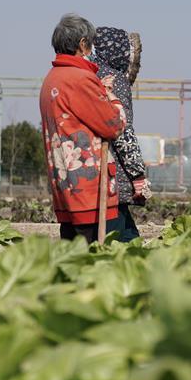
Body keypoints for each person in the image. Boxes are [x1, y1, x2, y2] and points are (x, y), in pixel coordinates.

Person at [39, 14, 126, 243]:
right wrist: (111, 97)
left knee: (70, 249)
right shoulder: (80, 79)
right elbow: (114, 125)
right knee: (88, 253)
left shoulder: (52, 78)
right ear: (82, 44)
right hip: (87, 187)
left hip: (64, 182)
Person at [92, 26, 151, 241]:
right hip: (113, 174)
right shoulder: (115, 80)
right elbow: (123, 133)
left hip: (89, 171)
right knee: (124, 239)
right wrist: (138, 175)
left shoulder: (89, 75)